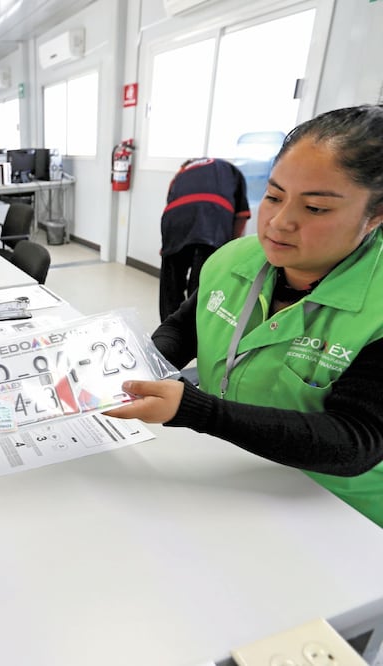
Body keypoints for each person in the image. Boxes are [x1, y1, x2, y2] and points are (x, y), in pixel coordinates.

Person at [106, 104, 383, 527]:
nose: (280, 222)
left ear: (375, 216)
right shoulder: (236, 259)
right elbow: (186, 326)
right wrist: (142, 367)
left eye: (315, 208)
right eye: (274, 196)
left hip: (336, 509)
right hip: (235, 469)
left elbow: (354, 440)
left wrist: (197, 411)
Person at [159, 157, 251, 321]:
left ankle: (168, 328)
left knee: (170, 284)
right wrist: (230, 249)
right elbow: (241, 215)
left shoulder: (181, 173)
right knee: (203, 283)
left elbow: (171, 207)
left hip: (175, 220)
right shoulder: (230, 170)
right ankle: (196, 328)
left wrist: (168, 247)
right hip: (214, 218)